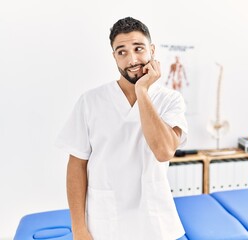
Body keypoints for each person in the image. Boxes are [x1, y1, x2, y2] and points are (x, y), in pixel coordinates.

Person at [56, 17, 188, 240]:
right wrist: (78, 228)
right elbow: (76, 165)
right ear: (114, 56)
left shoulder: (170, 100)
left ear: (152, 50)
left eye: (138, 49)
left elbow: (164, 151)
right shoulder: (90, 101)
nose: (132, 59)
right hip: (105, 221)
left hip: (153, 221)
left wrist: (142, 92)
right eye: (122, 52)